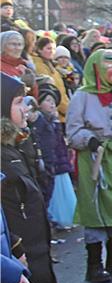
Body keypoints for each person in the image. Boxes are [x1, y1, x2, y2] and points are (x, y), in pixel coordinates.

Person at [66, 49, 112, 283]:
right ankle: (93, 265)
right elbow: (72, 131)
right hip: (94, 160)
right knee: (95, 208)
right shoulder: (82, 96)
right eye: (109, 65)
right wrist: (90, 140)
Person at [1, 76, 60, 283]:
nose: (26, 108)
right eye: (18, 102)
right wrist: (15, 248)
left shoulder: (15, 144)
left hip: (26, 262)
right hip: (12, 264)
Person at [28, 85, 75, 232]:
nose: (52, 103)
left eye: (53, 100)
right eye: (48, 100)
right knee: (54, 196)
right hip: (53, 164)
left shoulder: (52, 121)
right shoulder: (43, 124)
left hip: (58, 162)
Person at [29, 37, 68, 120]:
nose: (52, 51)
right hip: (54, 113)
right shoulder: (38, 66)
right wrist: (67, 110)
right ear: (39, 49)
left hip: (62, 112)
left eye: (54, 49)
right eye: (48, 48)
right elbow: (51, 90)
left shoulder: (52, 66)